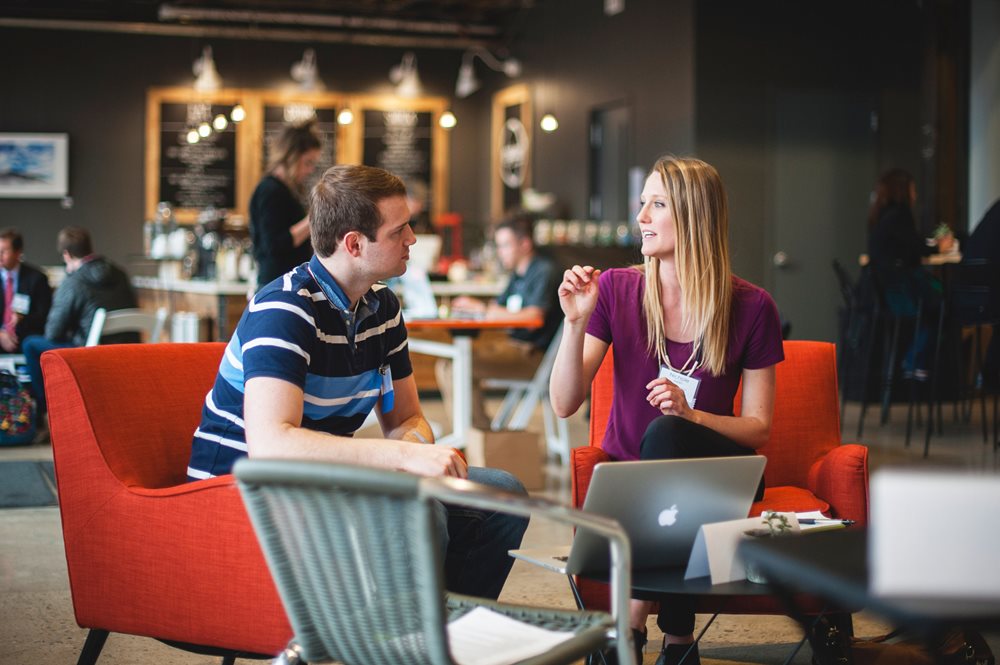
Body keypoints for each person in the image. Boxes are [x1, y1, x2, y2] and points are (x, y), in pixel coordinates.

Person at [188, 164, 528, 601]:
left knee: (501, 493)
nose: (413, 239)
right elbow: (272, 444)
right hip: (242, 490)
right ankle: (407, 632)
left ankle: (441, 627)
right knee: (418, 509)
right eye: (399, 231)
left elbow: (406, 418)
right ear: (354, 244)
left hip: (322, 479)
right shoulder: (285, 308)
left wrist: (412, 453)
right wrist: (401, 456)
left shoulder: (382, 307)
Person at [549, 156, 784, 665]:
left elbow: (759, 429)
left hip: (720, 473)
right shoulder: (617, 289)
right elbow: (565, 403)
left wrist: (690, 416)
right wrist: (573, 323)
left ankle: (629, 625)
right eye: (643, 204)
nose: (641, 217)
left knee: (667, 435)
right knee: (662, 450)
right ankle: (678, 640)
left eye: (657, 204)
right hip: (634, 475)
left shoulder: (752, 306)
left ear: (694, 215)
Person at [436, 212, 561, 429]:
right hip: (513, 347)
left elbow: (534, 316)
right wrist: (479, 309)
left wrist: (484, 309)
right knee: (447, 364)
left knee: (456, 366)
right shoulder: (518, 274)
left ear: (525, 244)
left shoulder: (544, 271)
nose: (500, 252)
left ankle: (477, 435)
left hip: (533, 356)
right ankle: (476, 434)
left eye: (505, 245)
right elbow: (497, 308)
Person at [22, 226, 137, 428]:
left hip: (91, 354)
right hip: (127, 352)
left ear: (66, 254)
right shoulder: (120, 274)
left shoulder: (73, 282)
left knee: (31, 344)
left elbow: (53, 332)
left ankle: (48, 415)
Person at [250, 121, 322, 290]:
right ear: (291, 157)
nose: (310, 170)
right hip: (277, 284)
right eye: (308, 162)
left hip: (285, 282)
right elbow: (273, 245)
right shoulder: (271, 190)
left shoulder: (286, 189)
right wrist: (314, 216)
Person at [0, 228, 52, 353]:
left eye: (4, 251)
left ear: (18, 253)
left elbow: (45, 317)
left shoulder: (37, 278)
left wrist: (23, 319)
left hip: (25, 341)